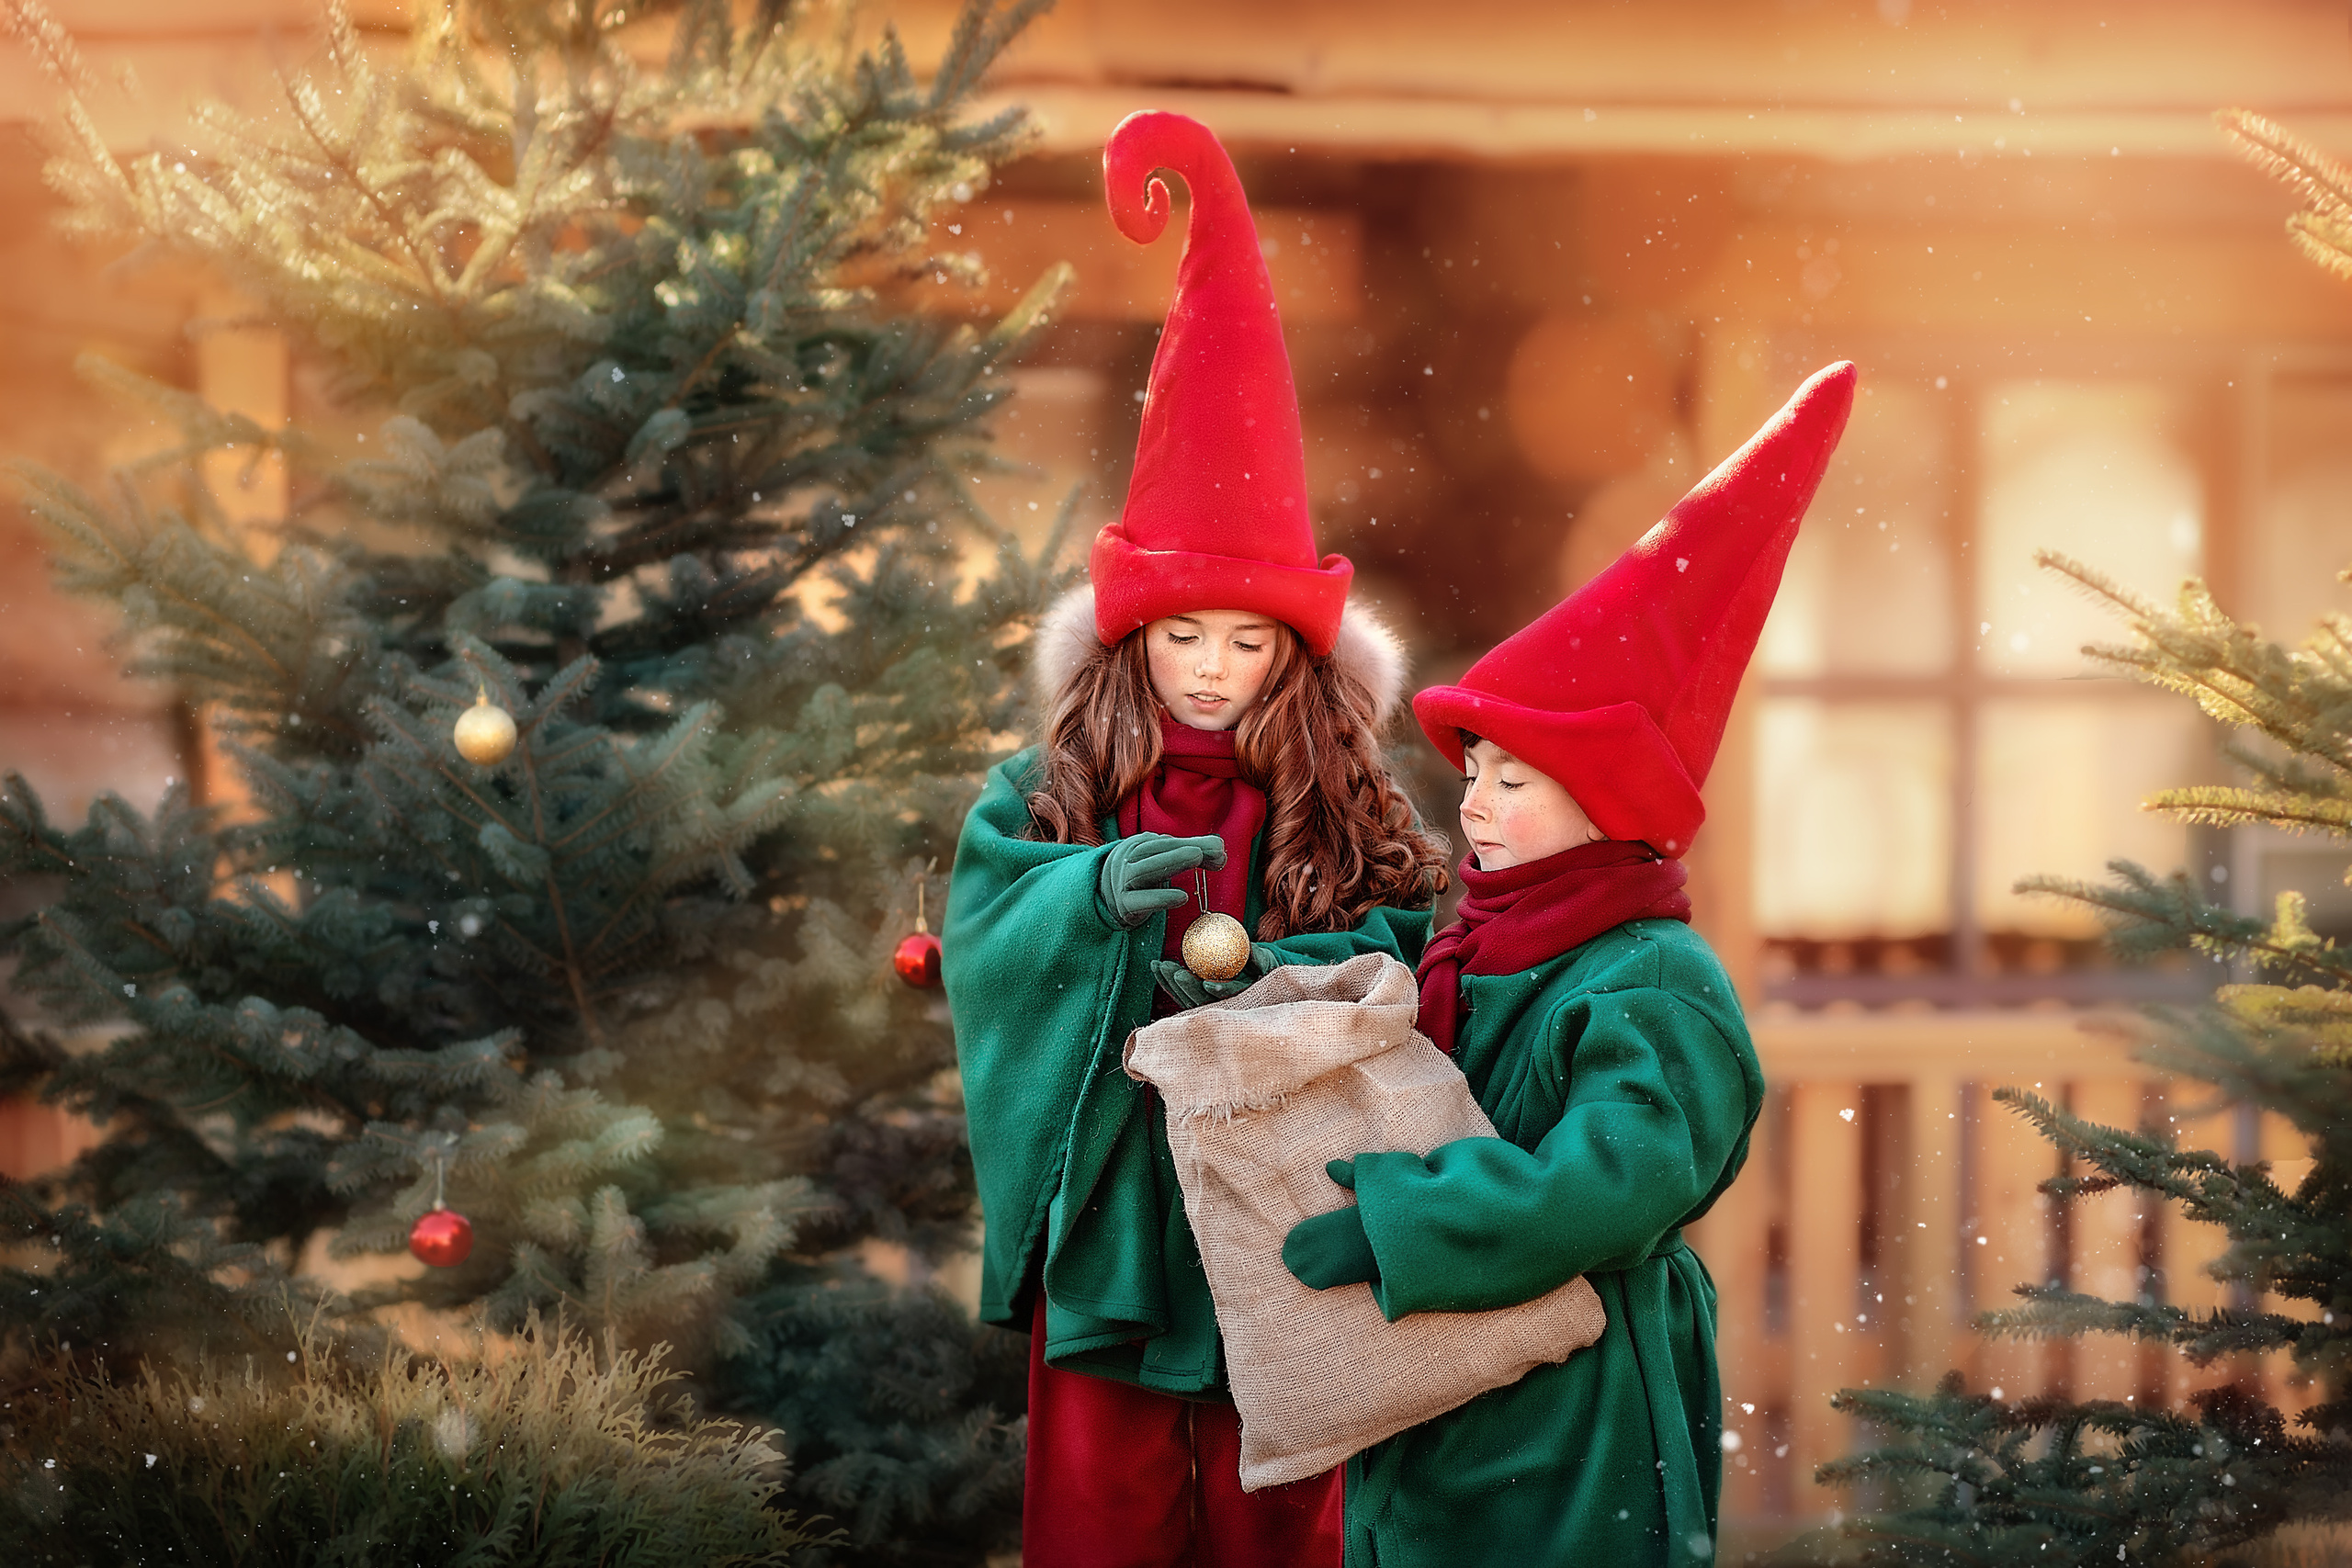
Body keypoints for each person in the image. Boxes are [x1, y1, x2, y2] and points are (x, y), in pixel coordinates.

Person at [942, 110, 1449, 1568]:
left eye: (1244, 638)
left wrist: (1305, 987)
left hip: (1278, 1216)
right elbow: (987, 921)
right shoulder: (1050, 791)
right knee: (1101, 1506)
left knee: (1274, 1501)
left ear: (1295, 651)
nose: (1212, 669)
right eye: (1181, 634)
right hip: (1113, 1209)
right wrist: (1089, 900)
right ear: (1132, 638)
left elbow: (1413, 953)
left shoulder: (1345, 799)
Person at [1280, 363, 1859, 1566]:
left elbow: (1613, 1180)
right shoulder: (1478, 932)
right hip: (1435, 1380)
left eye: (1514, 779)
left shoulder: (1651, 978)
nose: (1474, 802)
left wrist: (1403, 1221)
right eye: (1475, 769)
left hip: (1576, 1401)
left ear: (1607, 803)